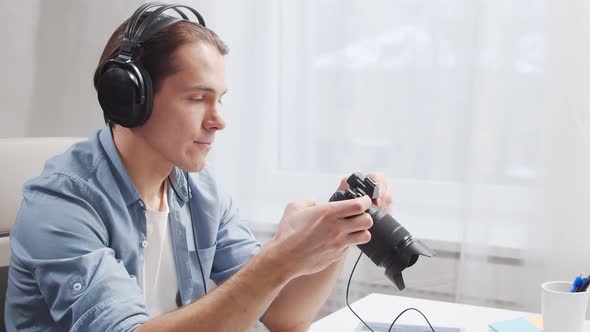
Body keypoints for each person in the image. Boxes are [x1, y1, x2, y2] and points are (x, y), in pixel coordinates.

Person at [5, 3, 393, 332]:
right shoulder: (59, 204)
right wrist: (281, 258)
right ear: (128, 97)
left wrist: (338, 232)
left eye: (220, 99)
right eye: (197, 99)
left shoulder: (198, 191)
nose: (219, 120)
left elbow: (283, 318)